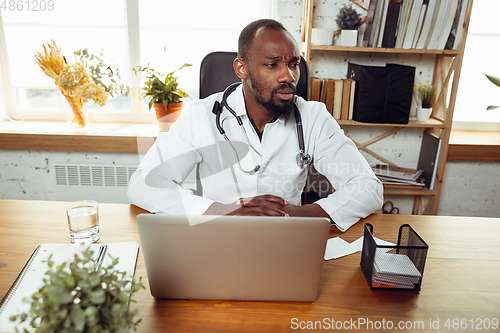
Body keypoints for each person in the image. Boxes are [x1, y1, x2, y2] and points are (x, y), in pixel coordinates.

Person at [128, 19, 383, 231]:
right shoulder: (201, 115)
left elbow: (368, 187)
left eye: (293, 64)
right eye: (272, 65)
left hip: (286, 239)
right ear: (242, 68)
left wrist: (303, 215)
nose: (289, 76)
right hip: (217, 236)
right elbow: (144, 182)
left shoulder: (313, 117)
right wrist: (224, 212)